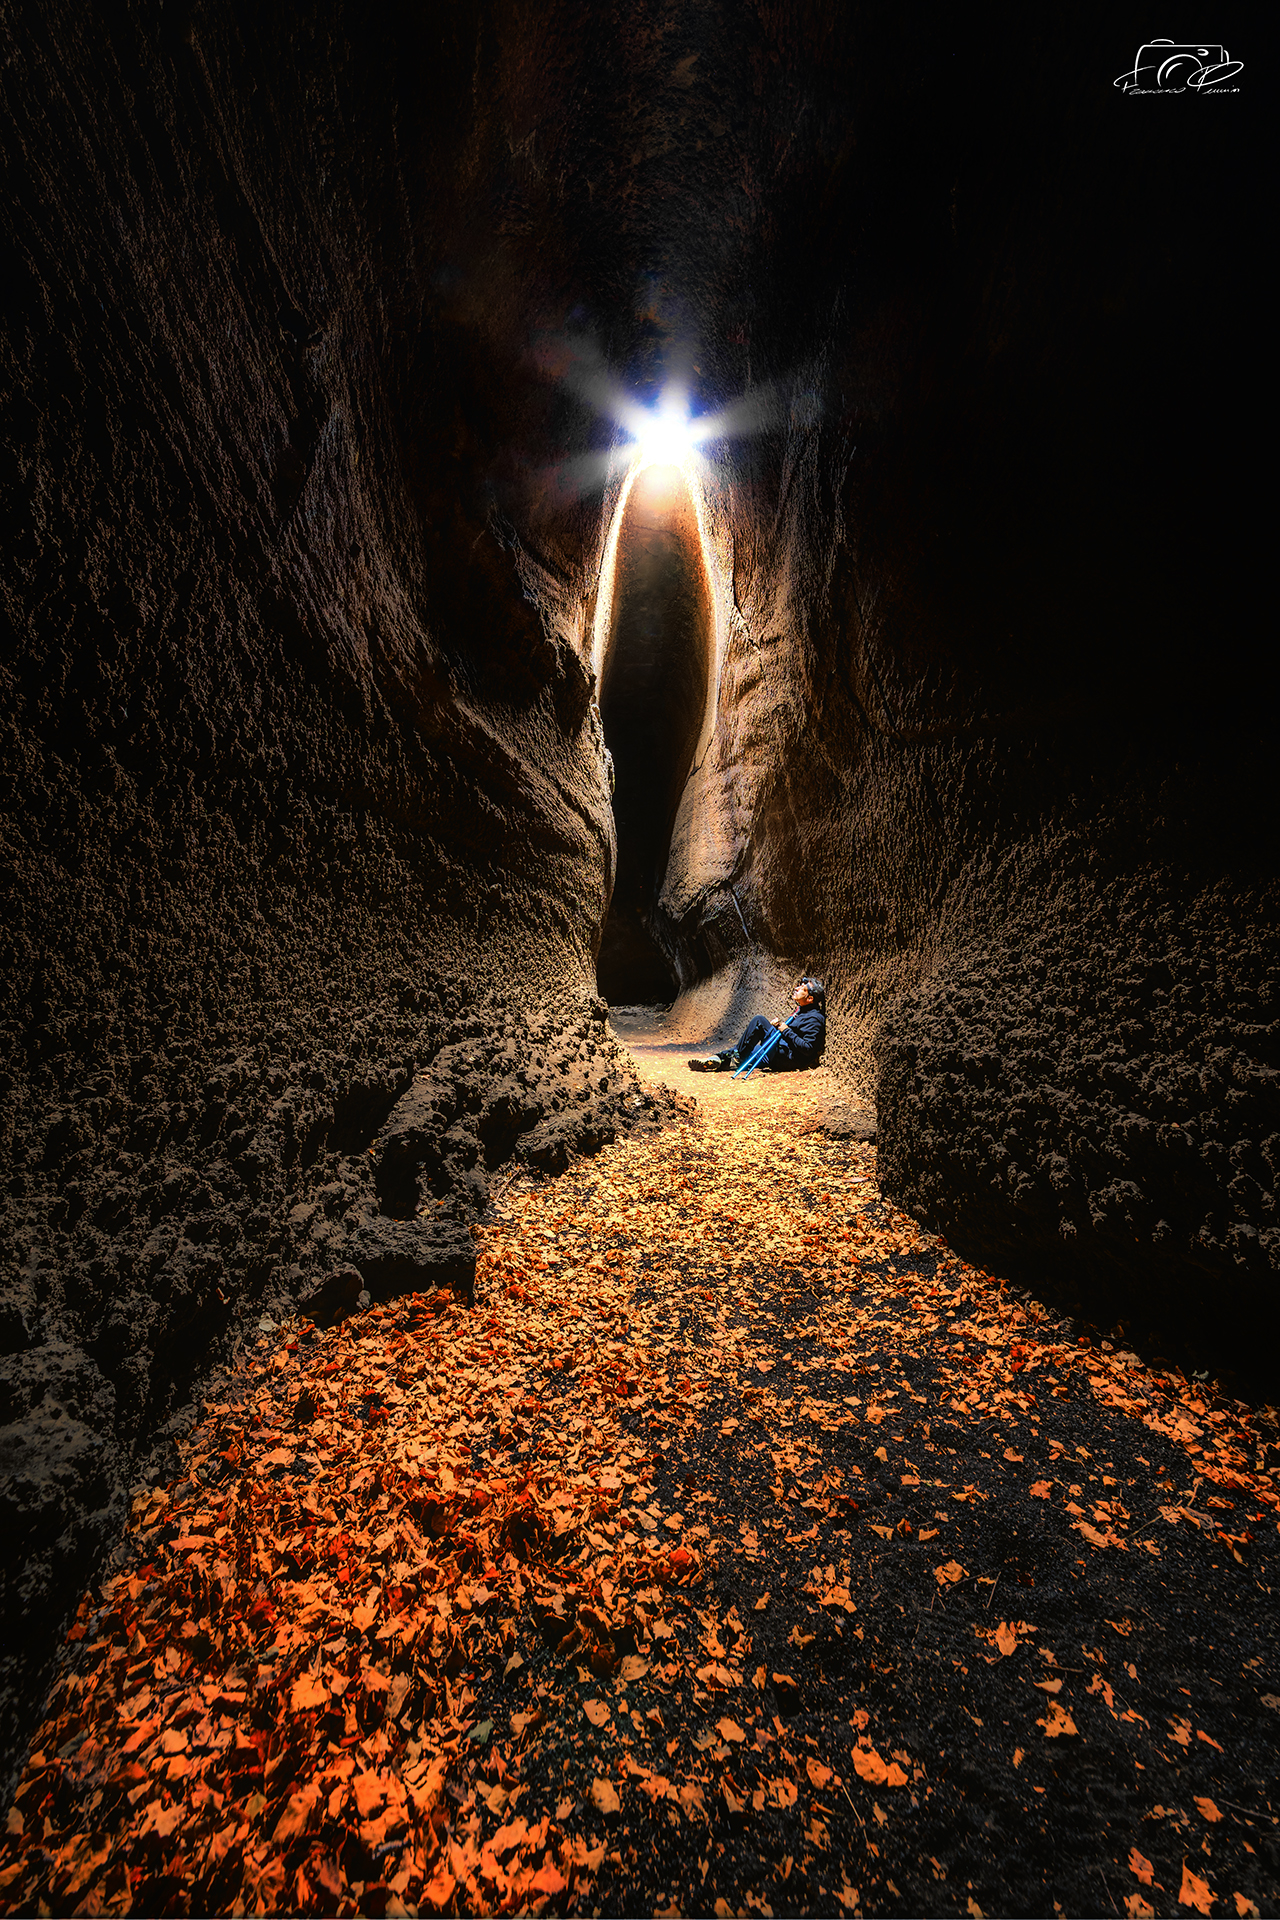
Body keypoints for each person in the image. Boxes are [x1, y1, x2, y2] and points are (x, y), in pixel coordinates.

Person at [688, 977, 826, 1073]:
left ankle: (733, 1057)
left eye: (802, 988)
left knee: (759, 1021)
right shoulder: (802, 1011)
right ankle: (716, 1060)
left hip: (786, 1058)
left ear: (810, 999)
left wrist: (785, 1030)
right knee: (746, 1053)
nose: (796, 988)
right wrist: (780, 1027)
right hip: (779, 1052)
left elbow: (808, 1048)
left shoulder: (814, 1018)